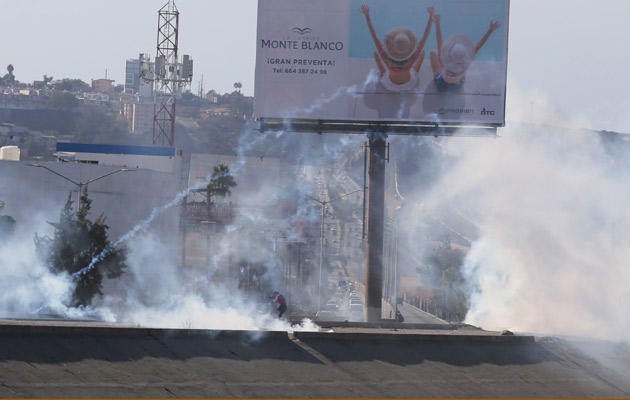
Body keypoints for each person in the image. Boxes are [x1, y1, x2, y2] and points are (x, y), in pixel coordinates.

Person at [360, 5, 435, 92]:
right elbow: (425, 36)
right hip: (409, 84)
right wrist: (430, 16)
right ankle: (414, 72)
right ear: (408, 49)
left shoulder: (386, 57)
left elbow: (374, 36)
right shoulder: (412, 57)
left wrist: (367, 15)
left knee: (377, 52)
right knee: (422, 51)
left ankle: (382, 73)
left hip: (389, 85)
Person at [429, 13, 501, 91]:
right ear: (465, 55)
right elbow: (479, 44)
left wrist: (437, 24)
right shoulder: (467, 62)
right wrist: (490, 30)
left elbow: (439, 41)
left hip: (441, 85)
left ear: (449, 54)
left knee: (433, 53)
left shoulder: (444, 63)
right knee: (462, 72)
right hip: (458, 86)